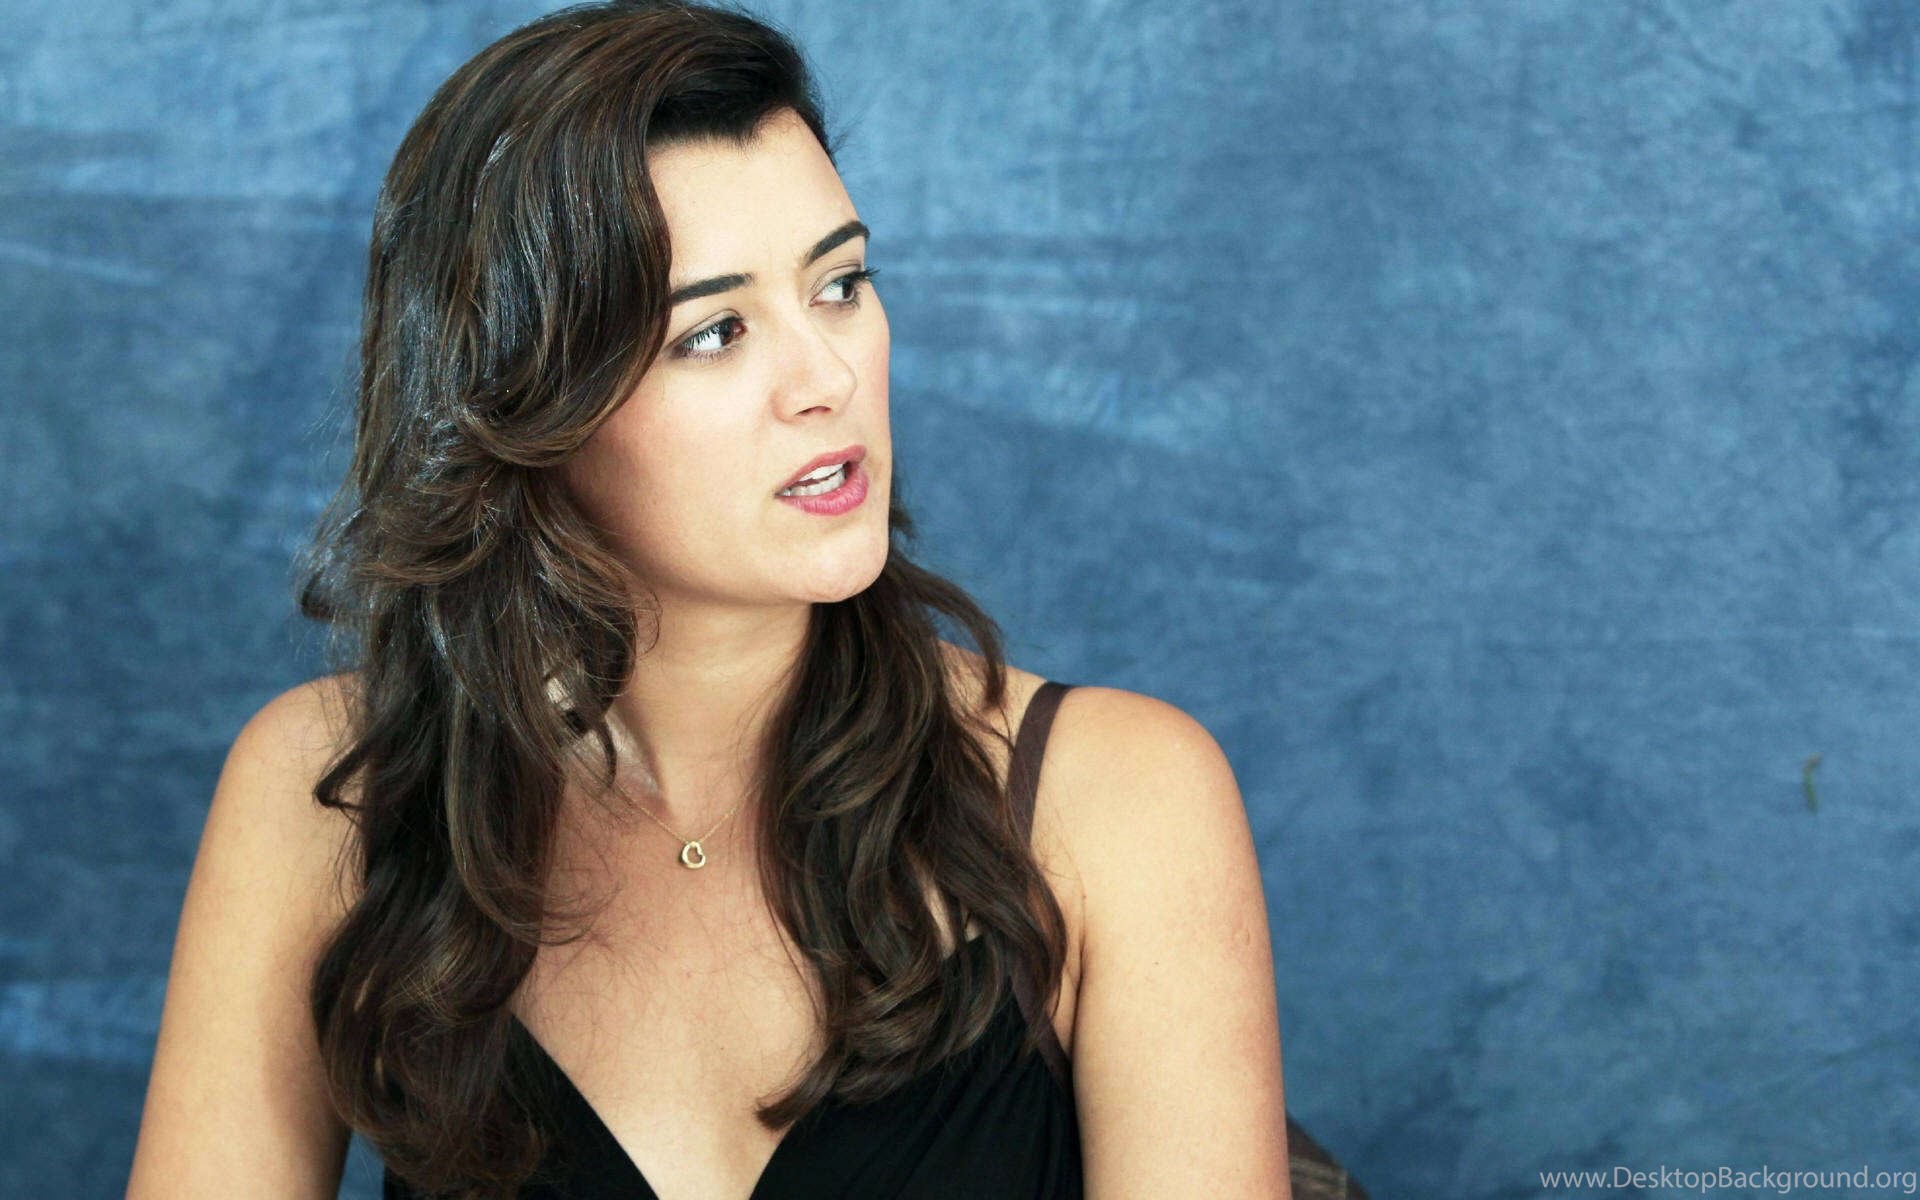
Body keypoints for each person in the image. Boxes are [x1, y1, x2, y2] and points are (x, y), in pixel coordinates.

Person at [125, 2, 1291, 1196]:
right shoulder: (327, 796)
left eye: (840, 283)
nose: (825, 376)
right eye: (717, 331)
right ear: (524, 403)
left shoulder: (1115, 802)